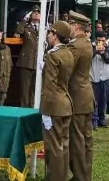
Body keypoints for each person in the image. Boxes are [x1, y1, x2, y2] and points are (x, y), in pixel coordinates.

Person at [40, 21, 75, 181]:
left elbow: (50, 85)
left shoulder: (53, 55)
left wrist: (46, 111)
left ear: (55, 36)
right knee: (64, 146)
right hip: (66, 103)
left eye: (50, 33)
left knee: (53, 147)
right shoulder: (68, 53)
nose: (48, 35)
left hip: (54, 105)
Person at [66, 12, 94, 181]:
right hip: (86, 96)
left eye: (70, 24)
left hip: (77, 97)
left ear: (75, 26)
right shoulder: (87, 43)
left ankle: (80, 176)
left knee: (77, 140)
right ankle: (84, 175)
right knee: (86, 140)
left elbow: (66, 68)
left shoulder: (76, 46)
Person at [14, 7, 41, 108]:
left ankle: (32, 110)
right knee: (25, 90)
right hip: (26, 62)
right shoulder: (26, 26)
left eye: (38, 12)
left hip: (38, 63)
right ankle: (24, 110)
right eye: (34, 12)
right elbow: (18, 32)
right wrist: (25, 19)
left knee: (35, 90)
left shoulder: (43, 27)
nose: (36, 14)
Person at [0, 30, 12, 105]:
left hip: (4, 78)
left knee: (1, 100)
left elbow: (10, 64)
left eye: (0, 32)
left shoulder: (7, 48)